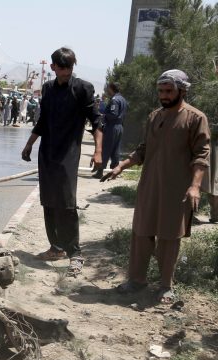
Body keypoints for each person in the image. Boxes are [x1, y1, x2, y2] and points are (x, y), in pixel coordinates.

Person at [102, 69, 210, 303]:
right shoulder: (154, 116)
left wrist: (194, 186)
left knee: (169, 237)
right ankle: (137, 280)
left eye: (169, 91)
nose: (164, 95)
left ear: (182, 90)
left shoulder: (195, 118)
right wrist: (121, 165)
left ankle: (165, 286)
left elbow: (202, 156)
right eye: (161, 91)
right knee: (141, 232)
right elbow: (143, 149)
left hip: (177, 189)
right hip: (150, 185)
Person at [21, 47, 103, 276]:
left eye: (70, 67)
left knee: (66, 203)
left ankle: (75, 253)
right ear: (53, 67)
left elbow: (97, 121)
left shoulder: (83, 89)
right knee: (48, 200)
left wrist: (98, 151)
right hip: (47, 151)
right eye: (62, 67)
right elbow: (42, 121)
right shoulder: (47, 88)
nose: (66, 71)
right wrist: (29, 144)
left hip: (69, 153)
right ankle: (56, 247)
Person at [94, 82, 128, 179]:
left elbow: (113, 114)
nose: (107, 90)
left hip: (112, 127)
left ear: (111, 88)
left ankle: (100, 171)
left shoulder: (114, 100)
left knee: (106, 148)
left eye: (108, 88)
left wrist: (103, 116)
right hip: (120, 126)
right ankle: (116, 170)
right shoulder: (123, 99)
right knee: (116, 149)